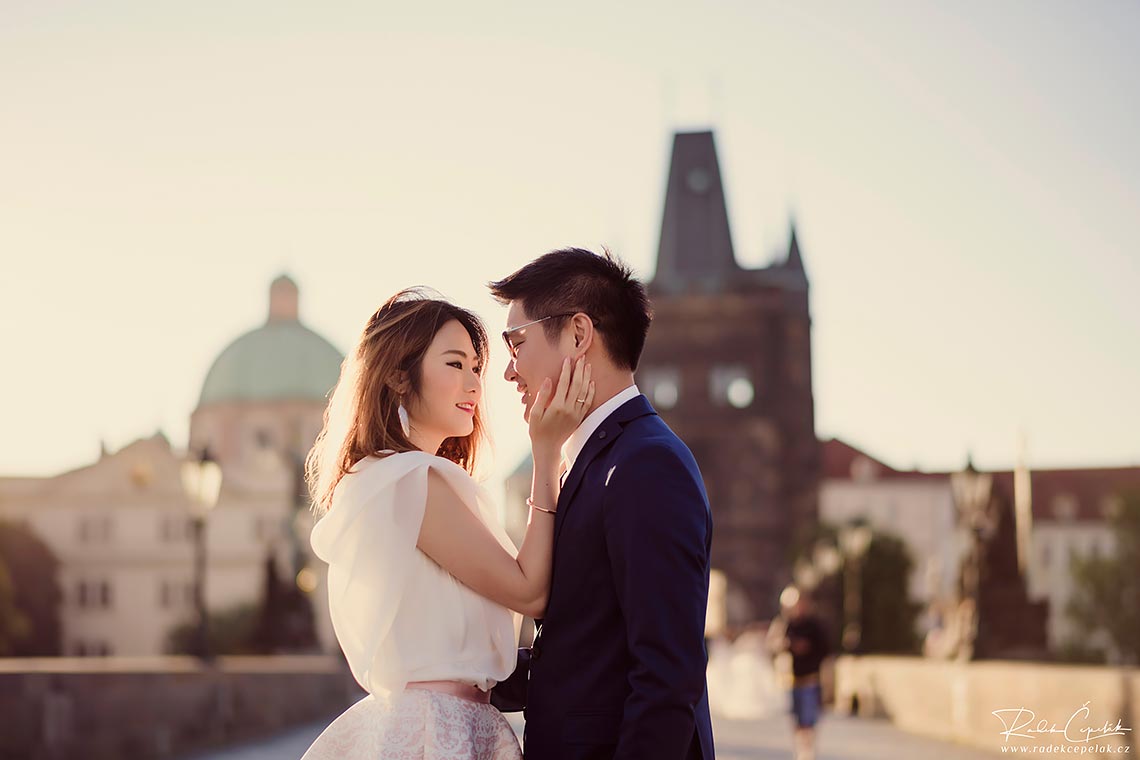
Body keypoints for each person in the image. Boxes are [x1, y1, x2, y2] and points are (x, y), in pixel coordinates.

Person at [300, 288, 595, 760]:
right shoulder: (406, 479)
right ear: (398, 376)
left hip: (447, 723)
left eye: (476, 368)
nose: (475, 385)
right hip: (434, 732)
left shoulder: (398, 477)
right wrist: (546, 453)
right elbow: (529, 591)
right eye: (455, 365)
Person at [488, 248, 716, 760]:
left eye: (516, 343)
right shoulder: (598, 459)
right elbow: (587, 650)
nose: (508, 371)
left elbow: (667, 680)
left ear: (578, 334)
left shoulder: (646, 465)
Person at [774, 589, 831, 760]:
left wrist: (807, 649)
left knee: (808, 721)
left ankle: (807, 752)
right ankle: (800, 751)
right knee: (797, 719)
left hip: (810, 680)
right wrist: (790, 645)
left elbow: (825, 650)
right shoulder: (790, 624)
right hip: (793, 680)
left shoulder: (815, 626)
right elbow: (778, 645)